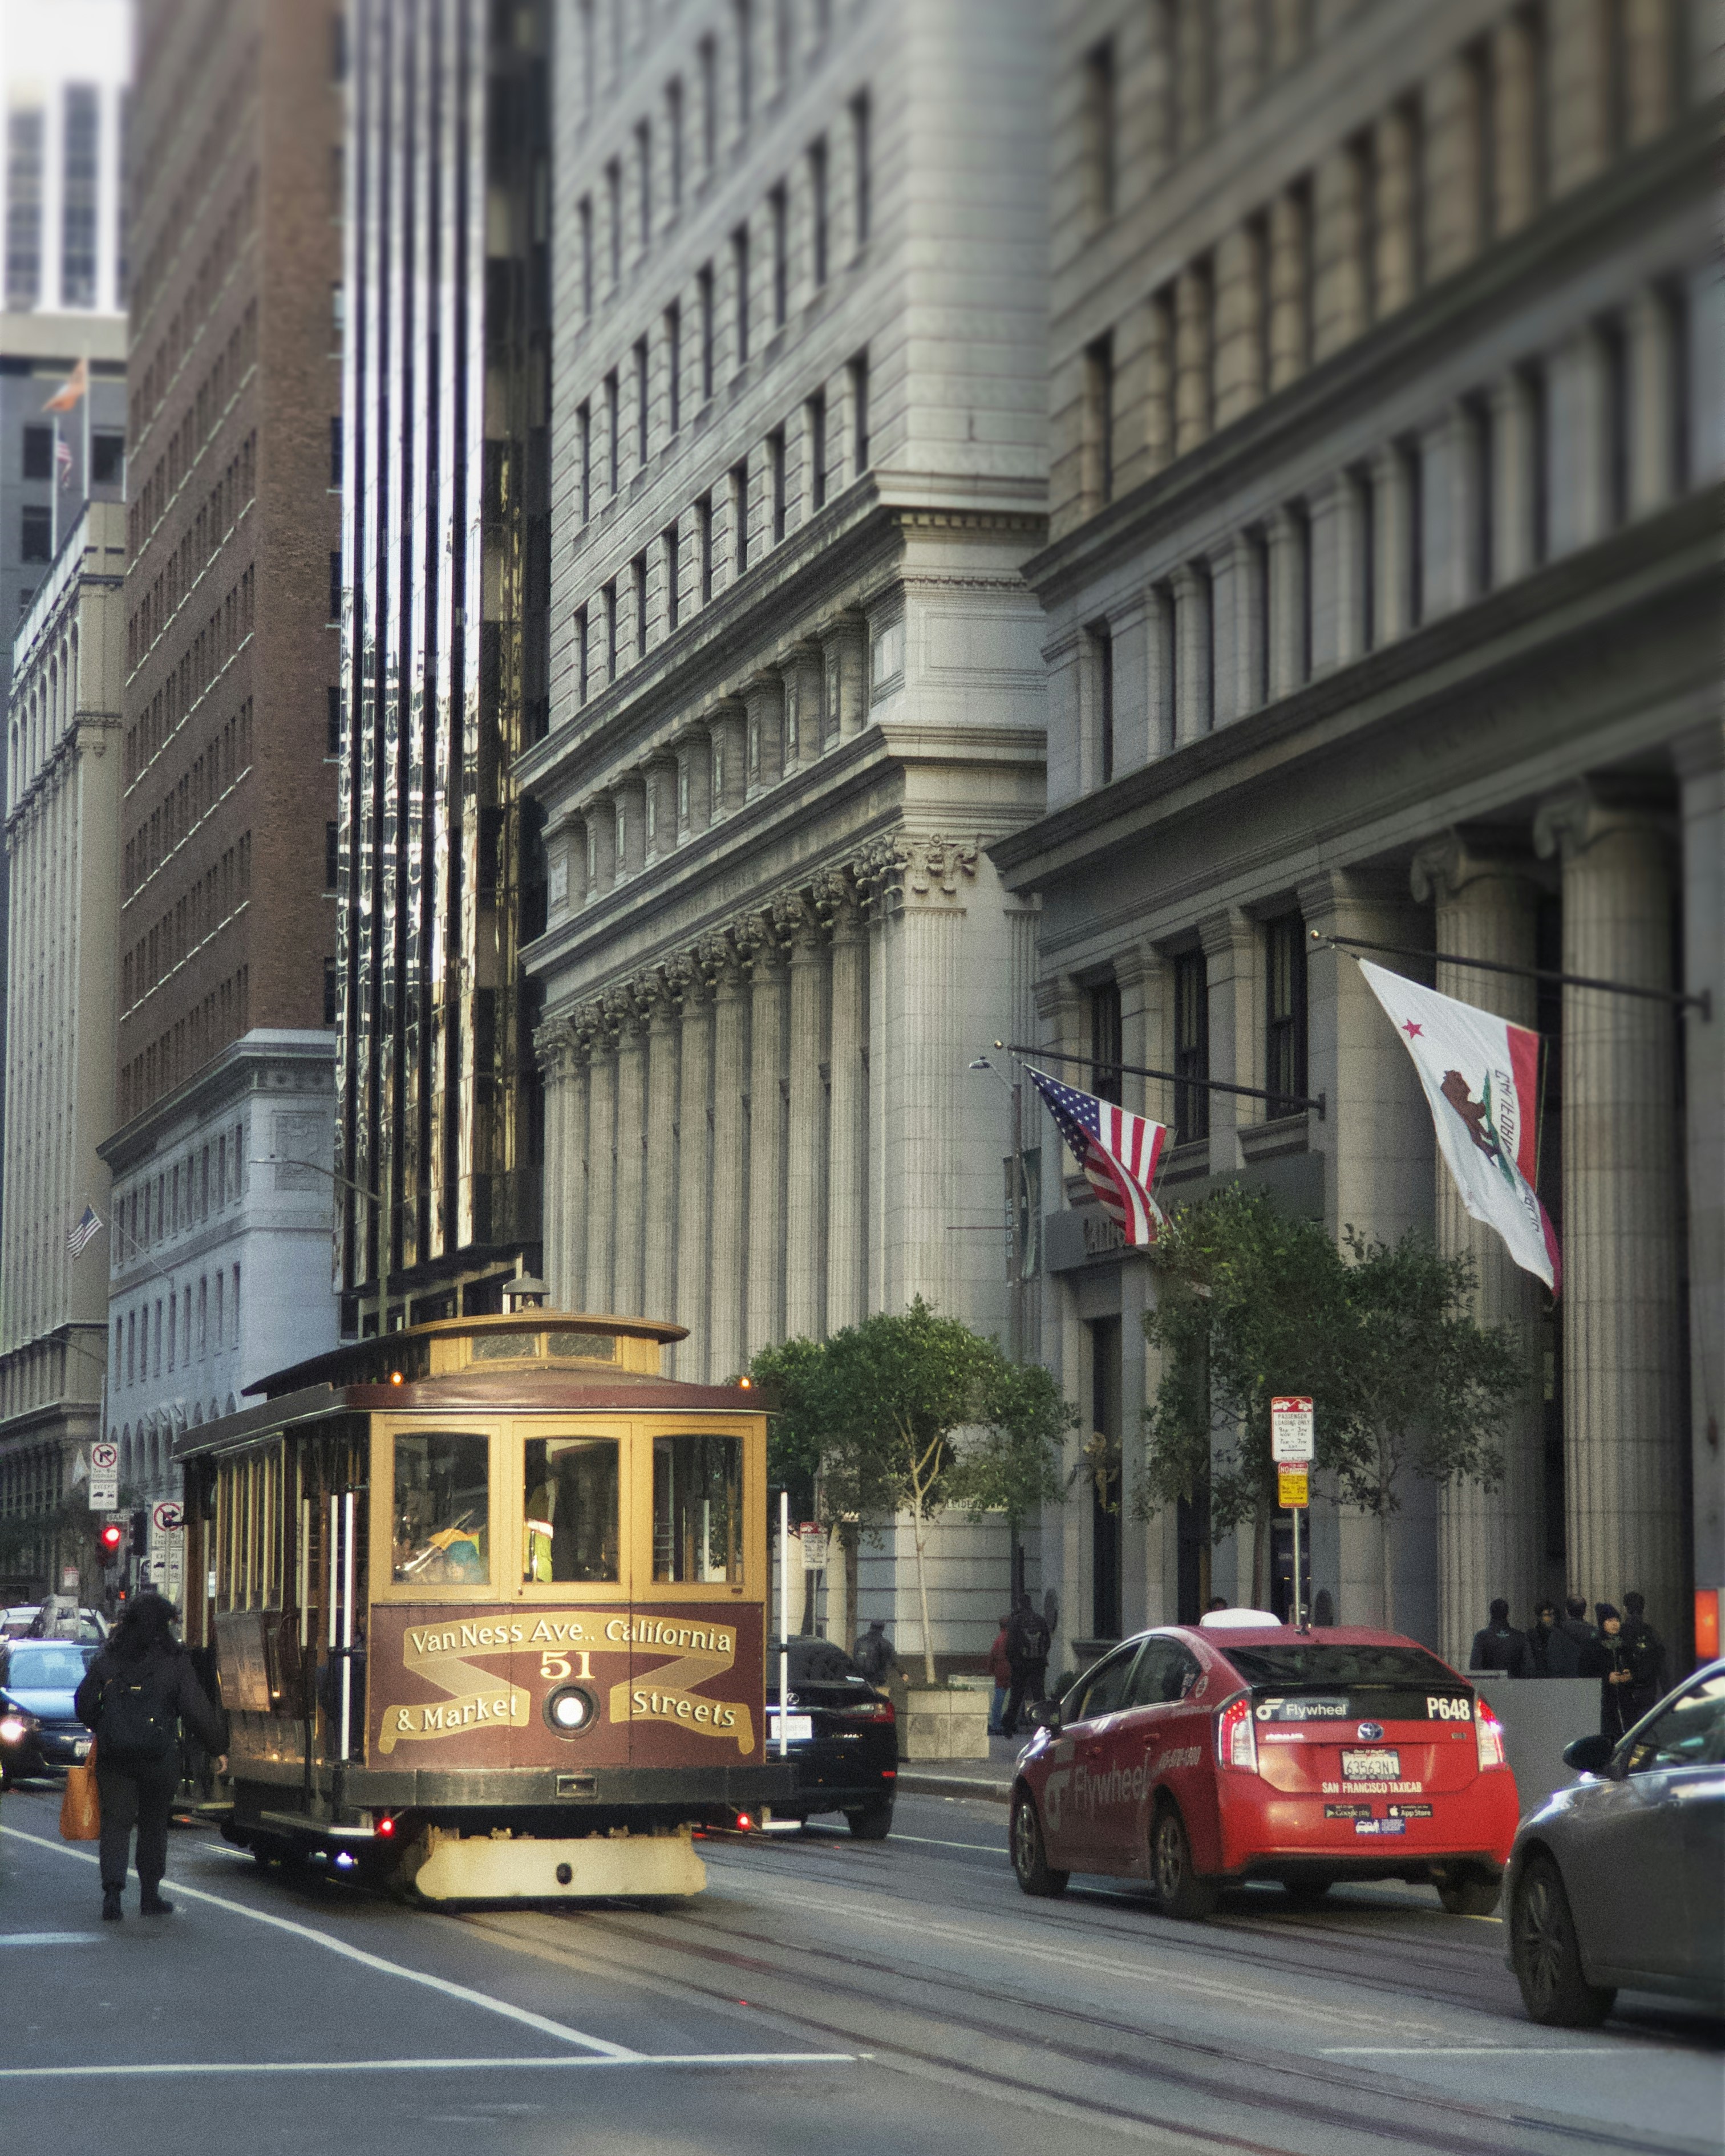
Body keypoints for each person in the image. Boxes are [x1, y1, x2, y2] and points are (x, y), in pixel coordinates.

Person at [74, 1590, 226, 1922]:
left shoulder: (109, 1657)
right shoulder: (175, 1660)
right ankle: (149, 1896)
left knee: (116, 1822)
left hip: (115, 1757)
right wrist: (217, 1748)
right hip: (159, 1756)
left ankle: (112, 1895)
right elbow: (196, 1710)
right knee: (154, 1824)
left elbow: (84, 1702)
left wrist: (106, 1725)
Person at [1001, 1591, 1051, 1738]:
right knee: (1039, 1696)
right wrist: (1041, 1657)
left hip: (1020, 1665)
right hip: (1038, 1665)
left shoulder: (1015, 1621)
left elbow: (1010, 1646)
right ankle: (1046, 1725)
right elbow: (1047, 1642)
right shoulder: (1040, 1620)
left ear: (1020, 1605)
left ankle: (1008, 1726)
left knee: (1016, 1697)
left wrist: (1014, 1662)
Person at [1586, 1604, 1639, 1742]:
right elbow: (1586, 1672)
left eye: (1617, 1620)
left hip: (1626, 1703)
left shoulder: (1625, 1645)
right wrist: (1606, 1678)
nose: (1615, 1624)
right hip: (1605, 1703)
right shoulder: (1593, 1646)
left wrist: (1630, 1675)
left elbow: (1638, 1669)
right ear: (1602, 1623)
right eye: (1609, 1621)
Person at [1621, 1591, 1669, 1721]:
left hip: (1627, 1688)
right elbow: (1662, 1665)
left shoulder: (1621, 1632)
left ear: (1626, 1609)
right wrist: (1667, 1692)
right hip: (1648, 1688)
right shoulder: (1652, 1633)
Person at [1469, 1598, 1534, 1678]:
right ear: (1507, 1614)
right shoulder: (1520, 1637)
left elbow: (1475, 1668)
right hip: (1515, 1687)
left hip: (1489, 1687)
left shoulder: (1481, 1637)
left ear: (1491, 1613)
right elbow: (1529, 1668)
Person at [1528, 1600, 1582, 1677]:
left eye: (1552, 1615)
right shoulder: (1532, 1636)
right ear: (1540, 1618)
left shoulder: (1561, 1634)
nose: (1551, 1618)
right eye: (1547, 1615)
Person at [852, 1618, 901, 1687]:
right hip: (876, 1681)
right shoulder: (885, 1643)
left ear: (871, 1627)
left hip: (859, 1681)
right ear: (882, 1629)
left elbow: (854, 1658)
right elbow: (894, 1660)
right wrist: (903, 1673)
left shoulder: (860, 1641)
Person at [986, 1616, 1012, 1737]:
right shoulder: (1013, 1639)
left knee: (998, 1701)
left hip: (1001, 1672)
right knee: (1014, 1699)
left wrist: (991, 1670)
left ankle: (996, 1725)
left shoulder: (999, 1640)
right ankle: (1011, 1724)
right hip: (1013, 1671)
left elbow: (992, 1656)